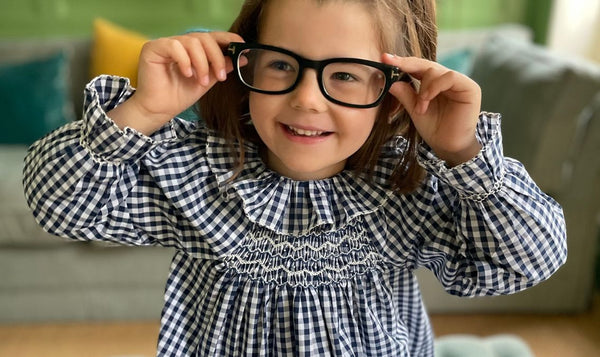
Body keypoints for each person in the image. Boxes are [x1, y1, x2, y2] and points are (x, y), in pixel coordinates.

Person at [23, 0, 567, 355]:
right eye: (282, 64)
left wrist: (463, 151)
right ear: (248, 63)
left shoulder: (411, 185)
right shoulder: (193, 172)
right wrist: (142, 111)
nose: (306, 99)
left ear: (398, 90)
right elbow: (59, 203)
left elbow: (530, 259)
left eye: (347, 74)